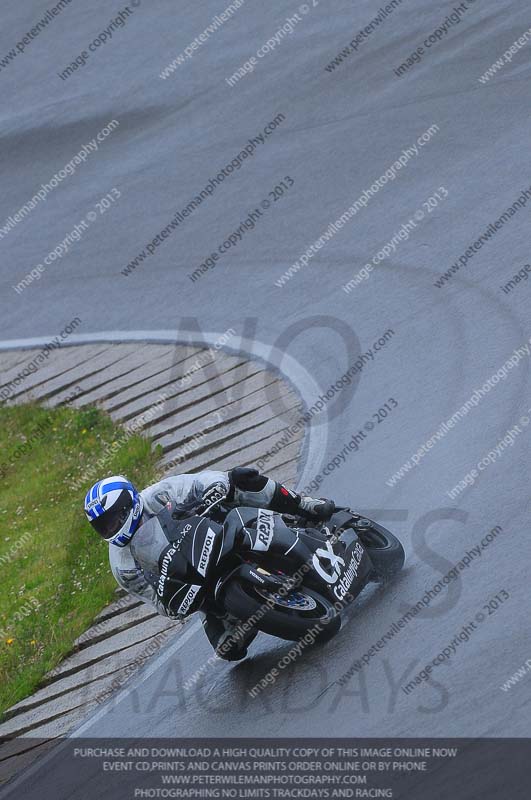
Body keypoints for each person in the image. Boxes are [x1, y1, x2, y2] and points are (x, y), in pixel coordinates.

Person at [84, 467, 335, 660]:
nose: (111, 528)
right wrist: (173, 597)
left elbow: (202, 482)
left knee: (242, 478)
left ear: (129, 503)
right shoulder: (122, 566)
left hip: (218, 530)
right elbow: (160, 602)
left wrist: (215, 490)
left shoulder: (159, 495)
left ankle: (303, 506)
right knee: (229, 649)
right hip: (195, 578)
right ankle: (239, 611)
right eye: (103, 526)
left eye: (114, 519)